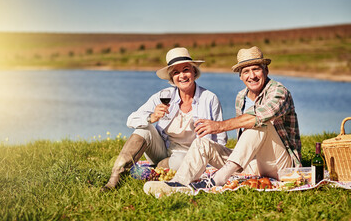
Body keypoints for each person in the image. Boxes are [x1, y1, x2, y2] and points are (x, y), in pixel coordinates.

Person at [143, 46, 301, 195]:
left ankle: (218, 179)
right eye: (246, 71)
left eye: (256, 69)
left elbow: (257, 118)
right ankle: (179, 184)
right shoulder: (241, 97)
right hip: (251, 164)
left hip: (281, 165)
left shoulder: (278, 91)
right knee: (201, 144)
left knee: (258, 123)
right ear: (240, 75)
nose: (251, 76)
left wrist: (219, 126)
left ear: (266, 70)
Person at [101, 47, 228, 191]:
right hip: (163, 152)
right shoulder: (163, 96)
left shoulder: (209, 98)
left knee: (181, 160)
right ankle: (114, 179)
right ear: (171, 78)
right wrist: (152, 117)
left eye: (186, 69)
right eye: (176, 72)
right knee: (144, 129)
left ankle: (156, 170)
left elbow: (221, 138)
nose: (182, 76)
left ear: (194, 72)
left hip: (193, 156)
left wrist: (212, 165)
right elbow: (131, 120)